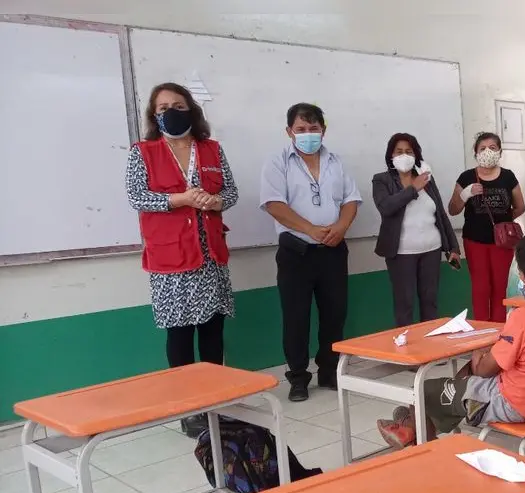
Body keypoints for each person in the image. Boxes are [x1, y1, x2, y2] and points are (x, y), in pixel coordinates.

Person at [375, 230, 525, 448]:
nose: (521, 280)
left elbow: (484, 370)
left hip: (517, 405)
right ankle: (410, 428)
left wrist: (480, 353)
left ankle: (419, 443)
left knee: (425, 390)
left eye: (522, 275)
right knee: (459, 383)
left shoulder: (524, 318)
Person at [126, 82, 239, 438]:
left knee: (212, 331)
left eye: (177, 105)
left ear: (190, 108)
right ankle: (188, 408)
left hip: (210, 257)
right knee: (180, 334)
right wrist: (180, 199)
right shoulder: (143, 152)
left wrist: (215, 201)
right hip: (171, 260)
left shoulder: (211, 149)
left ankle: (214, 401)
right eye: (162, 108)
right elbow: (137, 196)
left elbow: (230, 192)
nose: (170, 111)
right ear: (153, 115)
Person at [260, 103, 361, 402]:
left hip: (333, 250)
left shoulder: (336, 162)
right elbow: (273, 204)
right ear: (289, 131)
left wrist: (341, 227)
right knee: (296, 317)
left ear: (323, 130)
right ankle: (298, 378)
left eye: (313, 129)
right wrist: (310, 229)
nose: (308, 134)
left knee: (334, 315)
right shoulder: (277, 162)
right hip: (296, 252)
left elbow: (351, 200)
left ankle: (329, 371)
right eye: (301, 129)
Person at [373, 133, 461, 328]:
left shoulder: (427, 179)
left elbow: (440, 214)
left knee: (430, 301)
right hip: (401, 252)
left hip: (431, 249)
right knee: (404, 303)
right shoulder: (382, 180)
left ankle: (429, 351)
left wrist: (453, 247)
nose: (404, 155)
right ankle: (407, 353)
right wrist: (413, 189)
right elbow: (386, 207)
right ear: (391, 155)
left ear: (416, 155)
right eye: (399, 151)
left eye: (409, 151)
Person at [449, 132, 525, 322]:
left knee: (500, 287)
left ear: (500, 151)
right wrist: (465, 194)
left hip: (502, 243)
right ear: (475, 152)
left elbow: (520, 206)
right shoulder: (467, 177)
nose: (487, 151)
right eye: (482, 148)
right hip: (475, 240)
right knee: (481, 287)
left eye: (492, 148)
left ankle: (498, 332)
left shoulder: (508, 176)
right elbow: (452, 210)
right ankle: (481, 332)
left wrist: (503, 223)